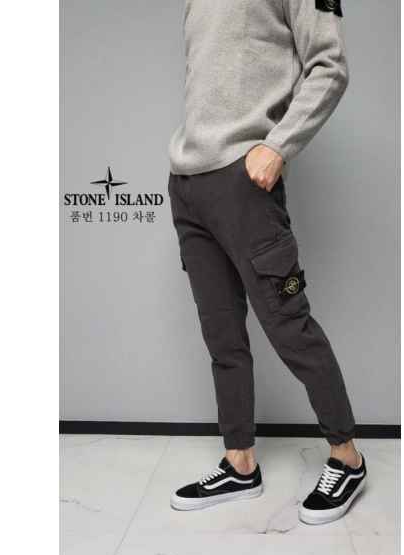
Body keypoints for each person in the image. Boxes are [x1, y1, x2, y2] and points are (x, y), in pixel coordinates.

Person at [167, 0, 366, 524]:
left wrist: (278, 146)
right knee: (222, 337)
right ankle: (240, 463)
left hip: (245, 186)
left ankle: (347, 457)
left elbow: (330, 65)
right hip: (187, 186)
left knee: (289, 326)